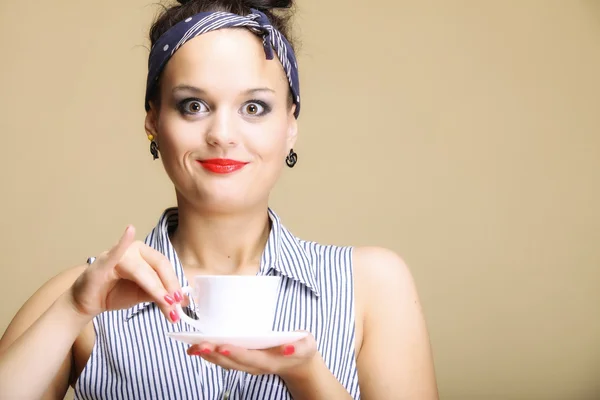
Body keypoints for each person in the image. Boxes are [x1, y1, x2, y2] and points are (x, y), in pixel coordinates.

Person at [0, 0, 439, 398]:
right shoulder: (79, 296)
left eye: (254, 108)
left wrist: (308, 376)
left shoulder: (372, 286)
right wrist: (73, 310)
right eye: (193, 105)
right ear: (153, 121)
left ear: (290, 124)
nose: (222, 135)